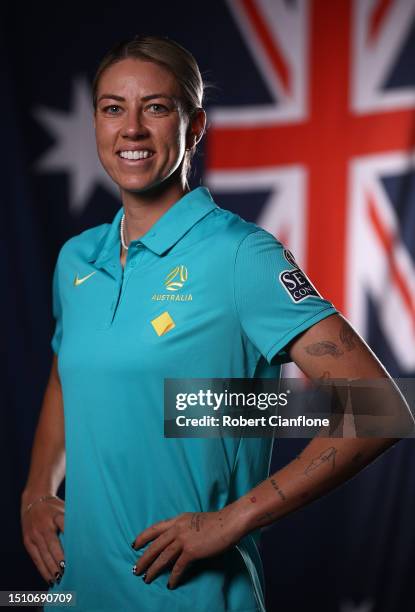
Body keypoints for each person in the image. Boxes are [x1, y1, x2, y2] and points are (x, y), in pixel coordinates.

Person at [20, 35, 412, 612]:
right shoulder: (77, 259)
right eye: (112, 108)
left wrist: (234, 520)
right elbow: (67, 375)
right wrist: (35, 492)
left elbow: (380, 408)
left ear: (195, 125)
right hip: (71, 595)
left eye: (155, 107)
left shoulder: (240, 256)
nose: (131, 128)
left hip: (189, 597)